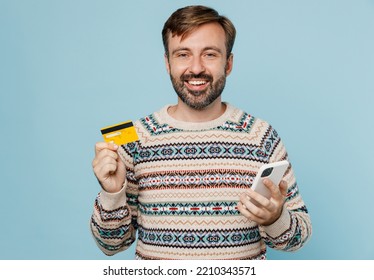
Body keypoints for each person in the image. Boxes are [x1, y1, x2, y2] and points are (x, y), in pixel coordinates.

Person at [90, 5, 312, 260]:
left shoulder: (261, 135)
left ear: (228, 63)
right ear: (167, 62)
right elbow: (110, 246)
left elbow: (300, 235)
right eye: (183, 54)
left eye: (210, 54)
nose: (196, 68)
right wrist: (111, 193)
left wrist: (276, 218)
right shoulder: (131, 137)